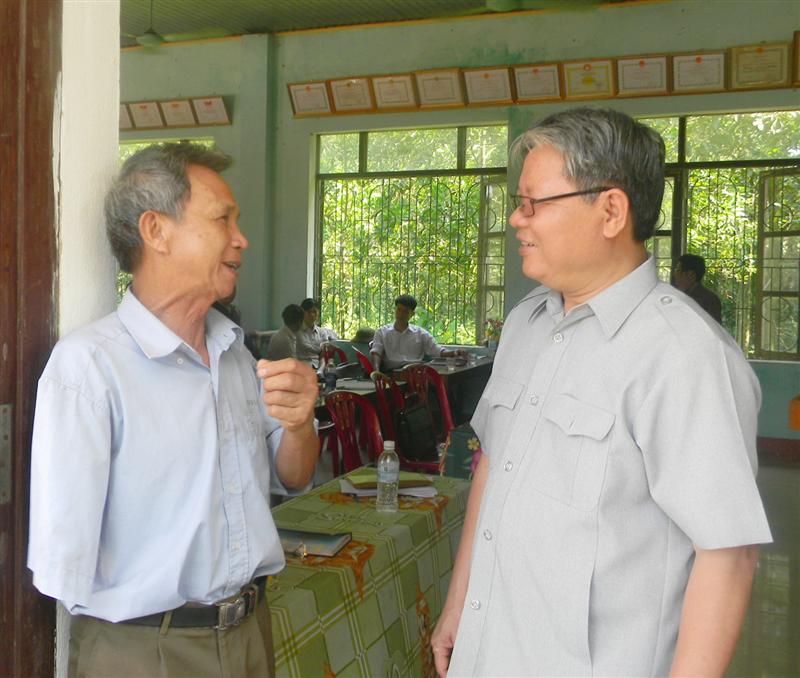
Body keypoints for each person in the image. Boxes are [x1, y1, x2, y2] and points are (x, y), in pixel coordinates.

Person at [431, 108, 771, 678]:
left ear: (611, 210)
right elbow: (494, 462)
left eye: (534, 202)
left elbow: (728, 554)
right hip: (489, 654)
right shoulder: (525, 325)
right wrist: (458, 605)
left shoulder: (683, 354)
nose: (517, 219)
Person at [28, 143, 319, 678]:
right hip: (144, 651)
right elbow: (61, 568)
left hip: (249, 634)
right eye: (222, 219)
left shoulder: (235, 356)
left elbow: (295, 474)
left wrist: (300, 423)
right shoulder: (91, 369)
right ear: (156, 231)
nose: (241, 239)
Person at [370, 294, 463, 371]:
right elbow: (376, 353)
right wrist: (376, 371)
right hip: (392, 375)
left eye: (405, 311)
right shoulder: (382, 332)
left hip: (417, 374)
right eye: (399, 310)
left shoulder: (421, 334)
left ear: (412, 314)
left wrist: (455, 353)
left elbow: (437, 351)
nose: (401, 314)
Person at [673, 252, 723, 323]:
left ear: (691, 275)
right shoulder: (677, 296)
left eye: (678, 271)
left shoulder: (709, 300)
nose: (675, 275)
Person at [295, 297, 338, 366]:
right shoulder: (296, 331)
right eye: (309, 312)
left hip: (317, 367)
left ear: (318, 313)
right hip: (301, 367)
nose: (312, 315)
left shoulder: (322, 332)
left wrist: (321, 370)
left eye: (314, 312)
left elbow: (324, 354)